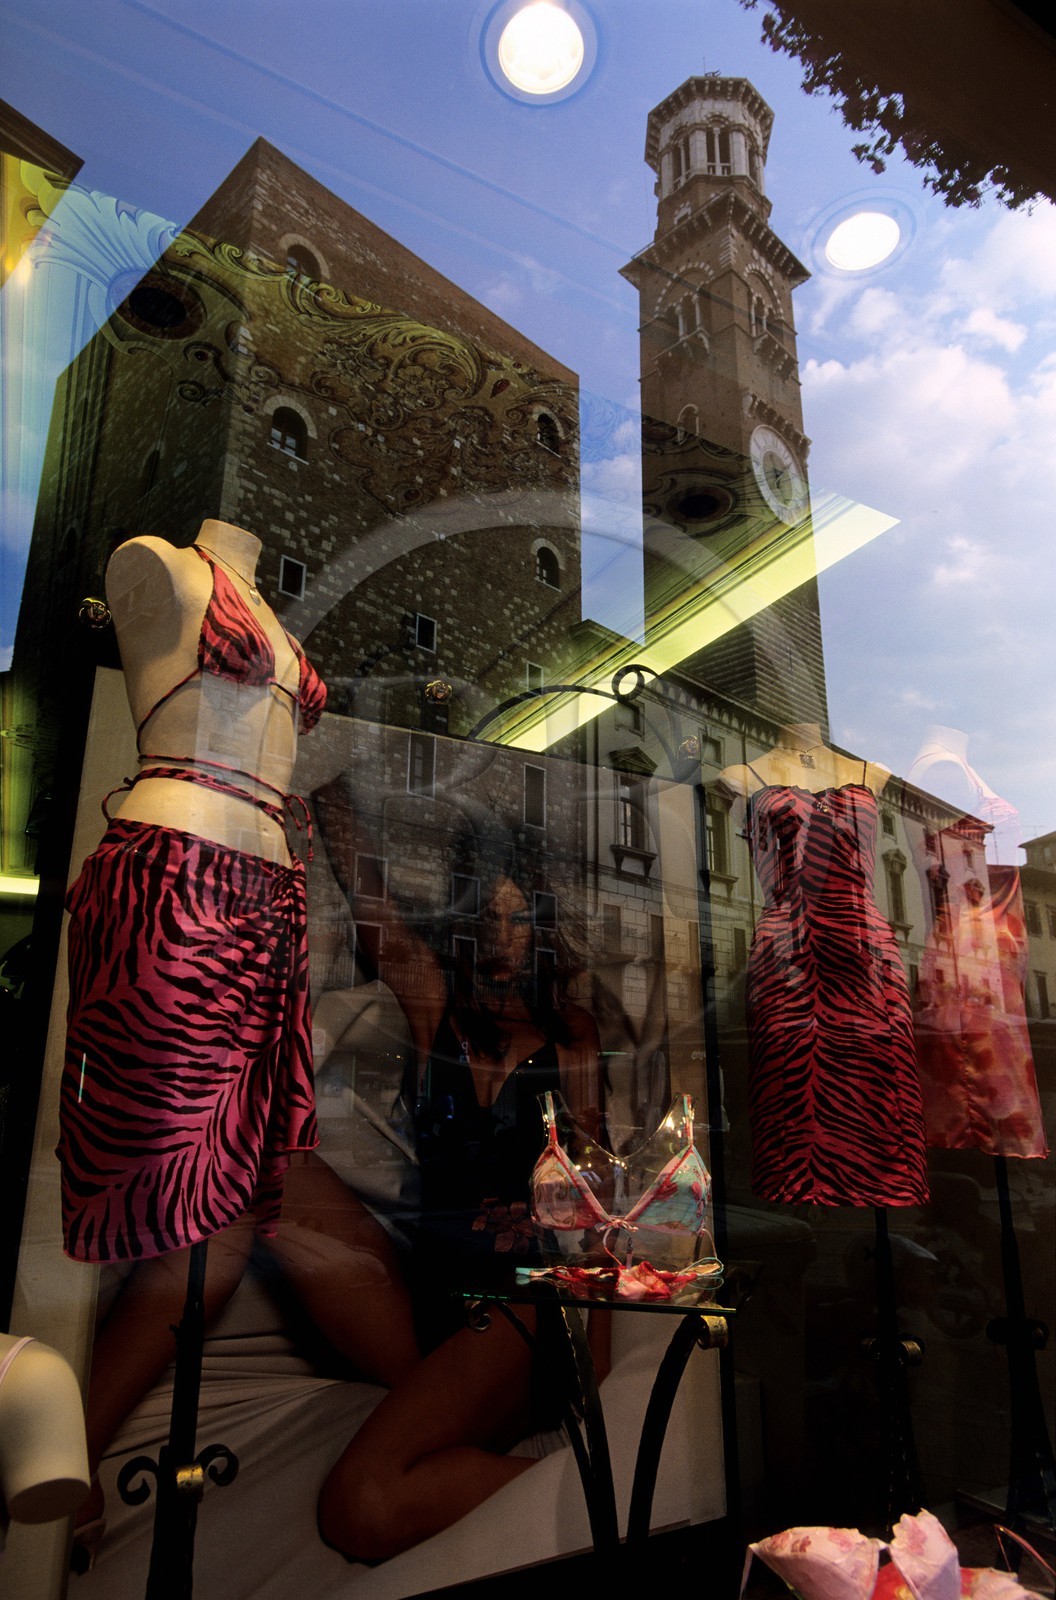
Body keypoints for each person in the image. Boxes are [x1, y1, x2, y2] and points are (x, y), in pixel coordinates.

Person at [311, 795, 606, 1562]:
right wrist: (329, 781)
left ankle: (583, 1488)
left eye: (515, 919)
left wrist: (599, 1378)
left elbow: (595, 1198)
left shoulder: (570, 1033)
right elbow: (365, 889)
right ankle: (487, 1446)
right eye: (483, 918)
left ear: (539, 924)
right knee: (269, 1170)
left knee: (360, 1506)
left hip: (521, 1305)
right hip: (428, 1295)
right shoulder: (434, 999)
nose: (499, 938)